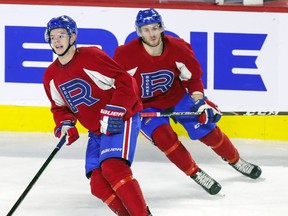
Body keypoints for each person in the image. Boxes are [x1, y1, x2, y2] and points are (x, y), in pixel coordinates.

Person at [113, 8, 262, 195]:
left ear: (161, 28)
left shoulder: (179, 48)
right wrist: (127, 108)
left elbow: (192, 79)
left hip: (176, 97)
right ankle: (195, 173)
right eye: (146, 29)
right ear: (139, 32)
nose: (151, 34)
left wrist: (200, 103)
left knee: (208, 131)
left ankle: (236, 160)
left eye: (155, 28)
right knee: (164, 138)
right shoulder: (125, 55)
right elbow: (118, 86)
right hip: (145, 107)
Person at [43, 15, 152, 216]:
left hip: (122, 119)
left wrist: (116, 110)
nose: (57, 40)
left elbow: (126, 81)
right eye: (53, 36)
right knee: (98, 185)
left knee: (113, 168)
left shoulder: (91, 56)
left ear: (73, 37)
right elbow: (59, 107)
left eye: (62, 35)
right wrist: (66, 125)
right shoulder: (50, 75)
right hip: (97, 130)